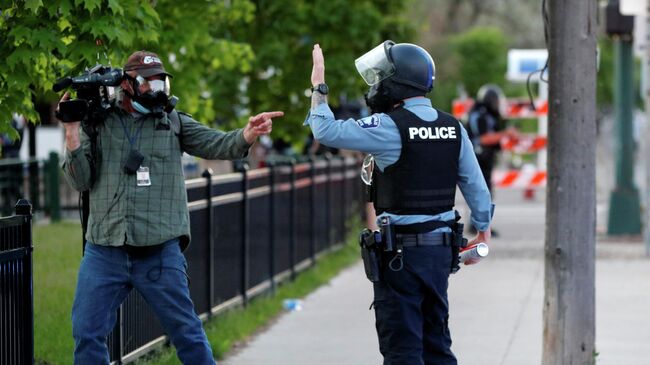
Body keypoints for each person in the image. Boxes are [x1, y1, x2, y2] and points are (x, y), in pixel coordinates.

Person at [59, 50, 283, 365]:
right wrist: (71, 133)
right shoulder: (99, 124)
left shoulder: (173, 121)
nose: (157, 89)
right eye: (148, 83)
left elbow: (216, 143)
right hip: (104, 249)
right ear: (128, 84)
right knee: (87, 333)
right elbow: (80, 181)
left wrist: (248, 133)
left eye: (161, 82)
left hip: (159, 251)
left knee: (187, 333)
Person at [305, 41, 493, 364]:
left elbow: (326, 131)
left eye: (381, 76)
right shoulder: (453, 128)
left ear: (397, 82)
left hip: (400, 258)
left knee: (402, 351)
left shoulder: (389, 126)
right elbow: (477, 188)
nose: (377, 84)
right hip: (440, 255)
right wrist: (484, 232)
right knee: (437, 347)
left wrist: (318, 87)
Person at [465, 84, 519, 235]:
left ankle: (479, 225)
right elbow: (484, 138)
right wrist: (506, 133)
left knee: (484, 191)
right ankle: (479, 226)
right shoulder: (480, 115)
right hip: (478, 158)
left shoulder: (484, 114)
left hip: (483, 158)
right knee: (480, 192)